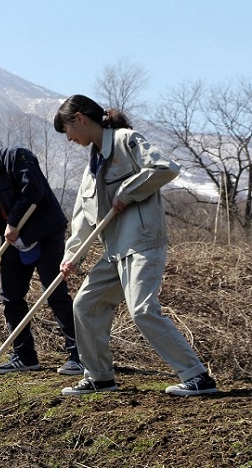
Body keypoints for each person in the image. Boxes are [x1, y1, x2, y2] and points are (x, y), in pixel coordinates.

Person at [53, 94, 217, 396]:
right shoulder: (91, 170)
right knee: (85, 304)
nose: (69, 139)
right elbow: (81, 219)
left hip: (142, 243)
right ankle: (100, 377)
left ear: (79, 119)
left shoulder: (126, 141)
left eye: (68, 132)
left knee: (142, 309)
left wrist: (128, 192)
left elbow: (166, 168)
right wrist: (72, 256)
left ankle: (197, 377)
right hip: (114, 252)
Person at [0, 130, 81, 375]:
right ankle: (24, 355)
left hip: (45, 232)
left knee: (54, 291)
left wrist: (14, 221)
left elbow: (33, 190)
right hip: (13, 242)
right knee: (10, 296)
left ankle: (78, 354)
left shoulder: (18, 158)